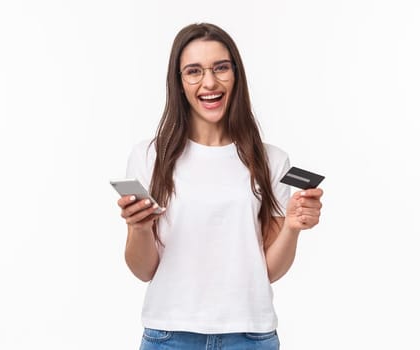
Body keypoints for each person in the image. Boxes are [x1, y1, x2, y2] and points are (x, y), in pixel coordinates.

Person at [117, 23, 324, 350]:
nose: (209, 82)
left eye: (221, 68)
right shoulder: (149, 156)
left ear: (236, 74)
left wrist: (293, 228)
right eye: (194, 71)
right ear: (179, 82)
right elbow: (143, 270)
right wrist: (139, 228)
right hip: (169, 335)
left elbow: (268, 270)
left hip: (251, 336)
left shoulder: (272, 160)